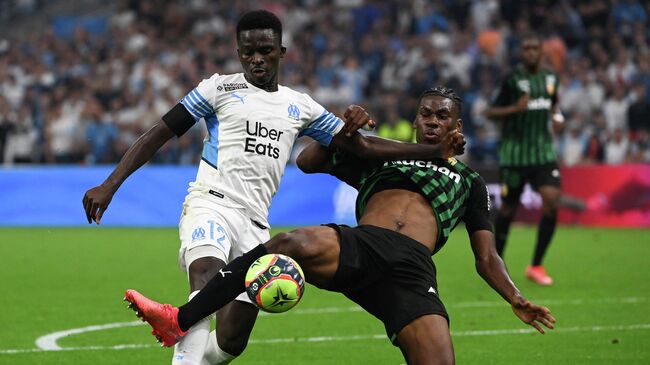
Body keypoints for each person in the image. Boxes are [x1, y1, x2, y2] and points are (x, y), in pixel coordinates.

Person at [82, 10, 465, 365]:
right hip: (211, 202)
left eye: (265, 51)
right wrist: (110, 184)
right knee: (206, 277)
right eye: (248, 53)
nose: (256, 60)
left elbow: (361, 146)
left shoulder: (301, 106)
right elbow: (160, 132)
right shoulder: (217, 89)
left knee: (232, 341)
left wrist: (430, 151)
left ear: (281, 52)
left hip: (256, 224)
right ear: (238, 52)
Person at [123, 87, 555, 365]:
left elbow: (486, 255)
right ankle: (180, 318)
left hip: (412, 272)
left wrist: (515, 297)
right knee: (288, 242)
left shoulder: (470, 182)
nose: (432, 122)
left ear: (456, 127)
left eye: (442, 117)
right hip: (363, 246)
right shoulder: (382, 155)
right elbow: (308, 161)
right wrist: (345, 134)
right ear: (415, 119)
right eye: (425, 114)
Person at [484, 33, 564, 286]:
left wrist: (558, 118)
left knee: (551, 202)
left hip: (543, 153)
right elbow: (490, 111)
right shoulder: (511, 79)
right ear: (521, 53)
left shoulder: (551, 78)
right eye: (526, 48)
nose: (530, 52)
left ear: (542, 52)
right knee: (508, 209)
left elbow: (554, 107)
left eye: (534, 48)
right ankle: (495, 263)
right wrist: (513, 109)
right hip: (515, 155)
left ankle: (537, 265)